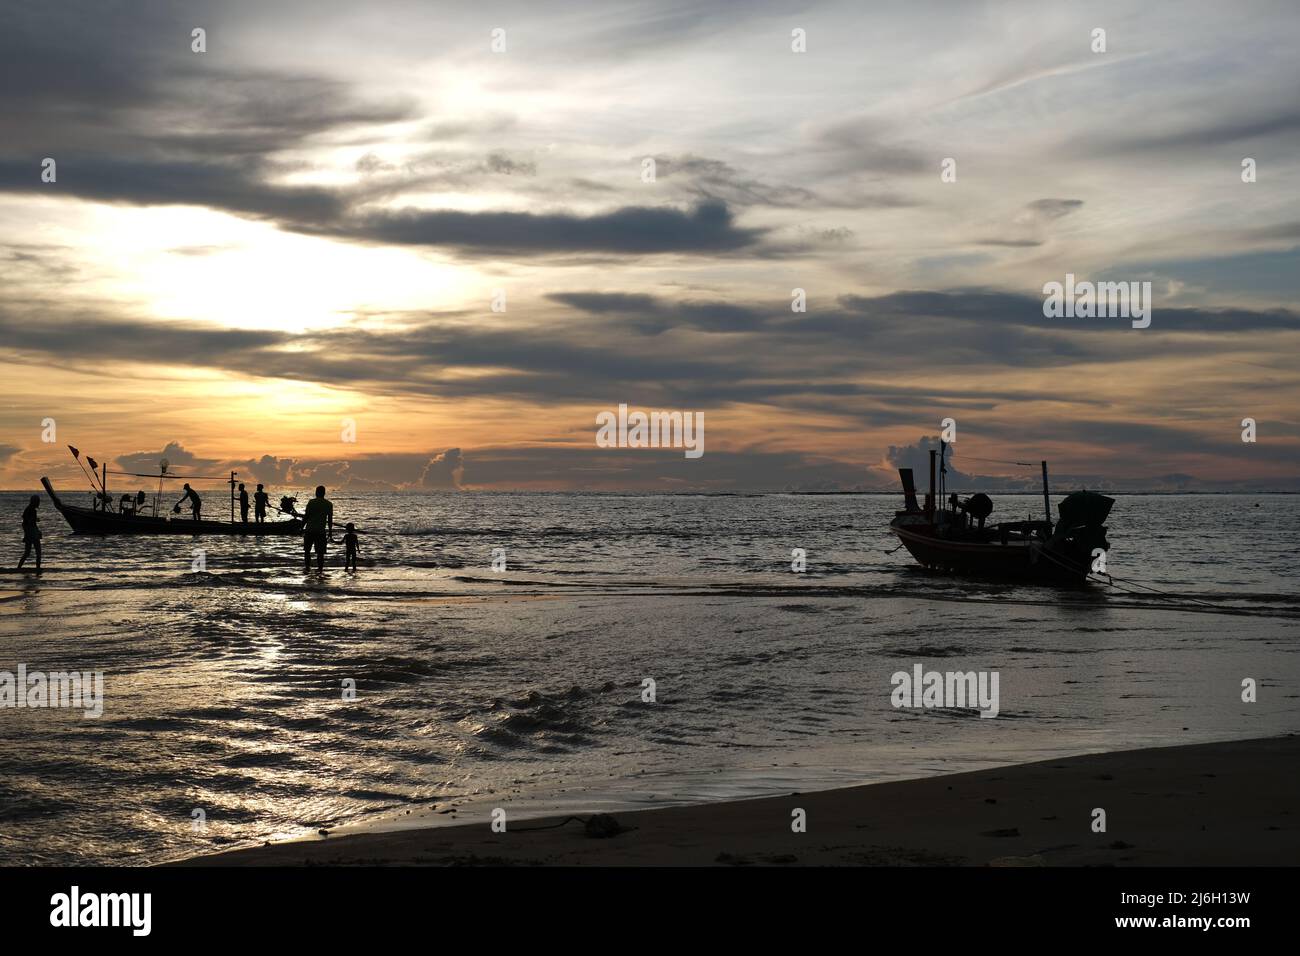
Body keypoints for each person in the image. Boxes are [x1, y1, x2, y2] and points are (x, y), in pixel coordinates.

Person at [302, 485, 333, 572]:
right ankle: (320, 569)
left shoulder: (311, 502)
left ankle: (307, 568)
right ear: (324, 493)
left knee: (307, 551)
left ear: (316, 492)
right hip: (320, 532)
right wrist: (330, 532)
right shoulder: (328, 504)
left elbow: (306, 517)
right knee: (320, 553)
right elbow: (330, 520)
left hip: (310, 530)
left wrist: (301, 527)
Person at [17, 495, 41, 572]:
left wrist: (37, 529)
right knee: (37, 552)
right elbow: (27, 522)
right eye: (38, 501)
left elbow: (27, 522)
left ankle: (19, 568)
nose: (39, 503)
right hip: (32, 534)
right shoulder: (31, 510)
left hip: (31, 533)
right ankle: (37, 568)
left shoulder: (30, 509)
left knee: (28, 552)